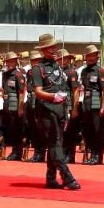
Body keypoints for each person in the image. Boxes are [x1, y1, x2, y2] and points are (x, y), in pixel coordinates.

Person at [29, 34, 79, 190]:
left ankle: (51, 178)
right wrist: (53, 97)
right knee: (55, 142)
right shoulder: (38, 68)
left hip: (60, 109)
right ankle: (67, 177)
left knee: (55, 143)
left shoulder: (58, 66)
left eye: (55, 47)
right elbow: (38, 92)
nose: (54, 50)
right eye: (51, 47)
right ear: (44, 50)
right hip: (46, 109)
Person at [78, 45, 104, 165]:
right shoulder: (84, 71)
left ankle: (98, 155)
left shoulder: (100, 71)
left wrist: (103, 106)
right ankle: (91, 153)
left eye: (93, 55)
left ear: (97, 57)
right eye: (89, 56)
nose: (91, 58)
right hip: (86, 102)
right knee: (88, 129)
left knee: (97, 129)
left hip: (96, 103)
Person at [0, 52, 28, 161]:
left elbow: (21, 92)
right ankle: (14, 150)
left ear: (16, 62)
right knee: (10, 129)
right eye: (8, 62)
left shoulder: (18, 75)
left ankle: (18, 152)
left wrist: (20, 107)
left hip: (15, 104)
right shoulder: (5, 74)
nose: (9, 64)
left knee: (17, 129)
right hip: (7, 103)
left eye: (12, 61)